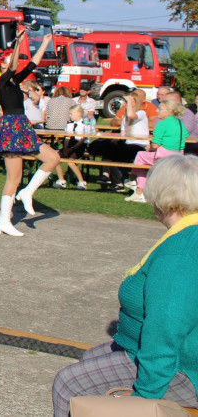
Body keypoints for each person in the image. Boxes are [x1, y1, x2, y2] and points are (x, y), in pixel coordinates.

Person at [51, 154, 198, 416]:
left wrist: (146, 393)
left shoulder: (182, 250)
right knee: (90, 359)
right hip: (163, 353)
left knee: (68, 384)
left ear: (159, 196)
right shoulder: (187, 234)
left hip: (185, 368)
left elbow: (166, 327)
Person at [0, 31, 61, 231]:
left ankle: (28, 192)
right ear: (2, 65)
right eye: (11, 60)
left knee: (53, 158)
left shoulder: (15, 81)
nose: (15, 62)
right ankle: (4, 220)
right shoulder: (2, 81)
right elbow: (14, 67)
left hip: (22, 127)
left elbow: (32, 64)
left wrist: (44, 43)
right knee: (14, 178)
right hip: (10, 129)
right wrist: (18, 43)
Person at [126, 100, 190, 203]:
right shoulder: (179, 123)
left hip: (163, 157)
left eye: (160, 109)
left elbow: (155, 145)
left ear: (170, 111)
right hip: (178, 156)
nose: (157, 110)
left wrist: (149, 147)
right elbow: (186, 135)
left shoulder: (162, 124)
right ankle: (138, 190)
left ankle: (133, 181)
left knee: (140, 155)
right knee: (142, 163)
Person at [89, 90, 149, 191]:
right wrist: (116, 140)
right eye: (126, 101)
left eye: (131, 101)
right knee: (107, 149)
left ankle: (113, 179)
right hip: (128, 144)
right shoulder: (125, 117)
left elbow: (131, 115)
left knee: (111, 152)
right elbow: (122, 133)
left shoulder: (141, 113)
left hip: (139, 146)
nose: (127, 104)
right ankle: (113, 180)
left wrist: (129, 103)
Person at [52, 105, 92, 190]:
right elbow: (67, 137)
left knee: (70, 161)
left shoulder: (85, 124)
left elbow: (83, 139)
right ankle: (61, 180)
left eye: (71, 114)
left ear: (78, 114)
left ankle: (82, 182)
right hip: (70, 144)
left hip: (80, 145)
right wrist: (66, 147)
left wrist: (72, 149)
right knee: (55, 158)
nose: (70, 116)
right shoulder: (70, 124)